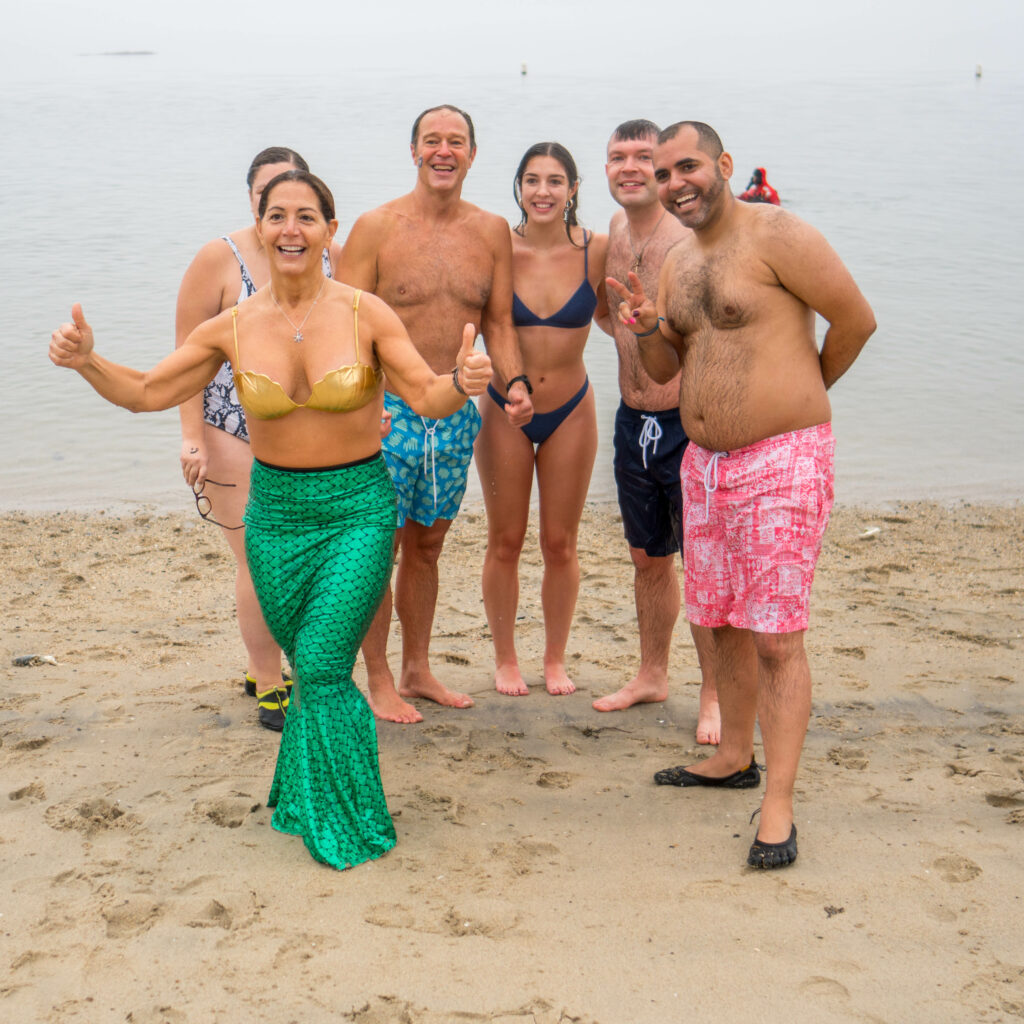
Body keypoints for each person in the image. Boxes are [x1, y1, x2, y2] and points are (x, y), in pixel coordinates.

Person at [50, 170, 494, 870]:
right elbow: (145, 391)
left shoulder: (364, 313)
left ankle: (350, 821)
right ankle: (300, 795)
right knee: (306, 664)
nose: (292, 228)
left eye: (307, 216)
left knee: (320, 668)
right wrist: (86, 362)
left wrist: (462, 384)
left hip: (357, 510)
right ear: (259, 227)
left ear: (329, 231)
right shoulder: (231, 326)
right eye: (277, 215)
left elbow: (427, 395)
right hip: (276, 516)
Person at [607, 122, 875, 869]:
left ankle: (779, 806)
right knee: (719, 620)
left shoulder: (779, 234)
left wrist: (803, 389)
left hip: (782, 458)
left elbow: (856, 319)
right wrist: (648, 327)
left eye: (687, 165)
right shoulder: (679, 261)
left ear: (722, 164)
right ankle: (732, 756)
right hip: (706, 466)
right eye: (663, 174)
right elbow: (669, 362)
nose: (675, 182)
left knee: (778, 638)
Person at [338, 104, 533, 724]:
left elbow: (499, 321)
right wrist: (361, 410)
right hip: (388, 412)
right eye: (432, 141)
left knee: (427, 546)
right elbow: (344, 328)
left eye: (456, 141)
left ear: (473, 155)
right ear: (414, 151)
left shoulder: (492, 230)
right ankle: (379, 677)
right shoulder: (376, 228)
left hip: (455, 416)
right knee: (377, 549)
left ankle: (418, 668)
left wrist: (517, 383)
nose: (443, 151)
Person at [176, 146, 341, 731]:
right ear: (253, 200)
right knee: (256, 560)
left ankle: (277, 664)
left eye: (297, 199)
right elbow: (185, 359)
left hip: (303, 434)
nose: (285, 217)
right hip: (230, 426)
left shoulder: (325, 254)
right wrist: (192, 438)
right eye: (270, 199)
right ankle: (268, 678)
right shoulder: (217, 259)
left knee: (300, 561)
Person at [592, 120, 721, 744]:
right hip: (630, 418)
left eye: (646, 157)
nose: (631, 167)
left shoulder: (687, 242)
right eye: (619, 157)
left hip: (685, 424)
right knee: (648, 559)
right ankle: (652, 673)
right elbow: (604, 313)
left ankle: (716, 695)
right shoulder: (614, 231)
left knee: (701, 563)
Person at [474, 142, 607, 697]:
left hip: (572, 408)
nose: (543, 191)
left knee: (561, 543)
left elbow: (626, 314)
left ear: (574, 189)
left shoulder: (596, 250)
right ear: (519, 186)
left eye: (556, 181)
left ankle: (554, 658)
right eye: (532, 180)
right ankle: (506, 659)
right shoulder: (497, 246)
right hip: (505, 406)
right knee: (505, 540)